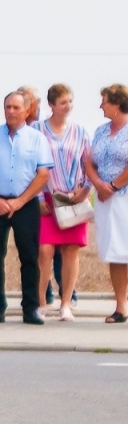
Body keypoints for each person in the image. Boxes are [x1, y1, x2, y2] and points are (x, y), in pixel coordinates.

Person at [0, 92, 53, 325]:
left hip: (25, 205)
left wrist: (20, 201)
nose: (11, 111)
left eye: (16, 107)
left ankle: (30, 308)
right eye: (8, 107)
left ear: (27, 111)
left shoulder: (37, 139)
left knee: (29, 257)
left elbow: (43, 174)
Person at [37, 84, 91, 320]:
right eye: (63, 102)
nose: (68, 106)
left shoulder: (80, 131)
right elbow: (32, 166)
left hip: (75, 198)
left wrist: (85, 189)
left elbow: (89, 164)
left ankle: (66, 303)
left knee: (71, 250)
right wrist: (38, 197)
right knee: (45, 250)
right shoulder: (37, 130)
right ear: (51, 105)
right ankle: (40, 302)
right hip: (48, 198)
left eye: (70, 101)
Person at [83, 84, 128, 323]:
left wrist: (114, 186)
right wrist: (99, 184)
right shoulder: (101, 131)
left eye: (105, 101)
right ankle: (121, 306)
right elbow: (89, 161)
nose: (101, 106)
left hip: (124, 196)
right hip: (104, 198)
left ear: (118, 104)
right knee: (115, 251)